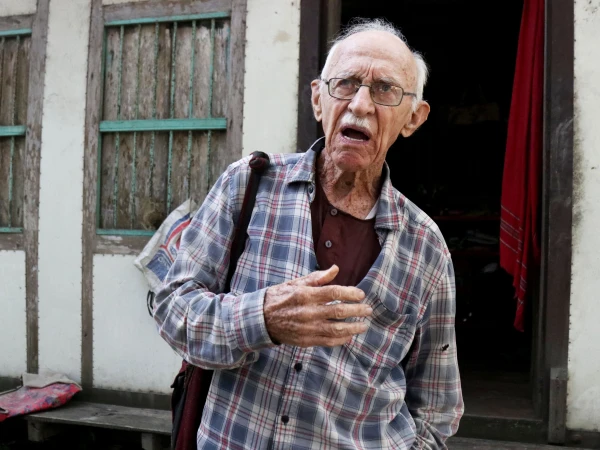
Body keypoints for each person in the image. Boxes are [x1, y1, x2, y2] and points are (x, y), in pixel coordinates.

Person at [155, 18, 463, 450]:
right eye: (346, 84)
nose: (359, 105)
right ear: (319, 99)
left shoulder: (426, 248)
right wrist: (262, 318)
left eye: (384, 90)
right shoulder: (249, 184)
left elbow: (437, 405)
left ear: (413, 118)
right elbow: (172, 309)